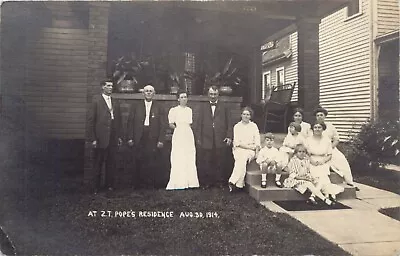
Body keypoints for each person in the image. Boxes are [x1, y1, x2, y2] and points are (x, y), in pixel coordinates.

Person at [127, 84, 167, 189]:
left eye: (150, 91)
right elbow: (130, 122)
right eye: (146, 91)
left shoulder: (159, 107)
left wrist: (161, 140)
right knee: (138, 159)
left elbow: (163, 124)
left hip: (152, 136)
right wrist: (130, 137)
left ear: (154, 93)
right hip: (139, 135)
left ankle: (150, 184)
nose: (148, 93)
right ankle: (137, 184)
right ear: (143, 93)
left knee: (151, 159)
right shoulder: (136, 106)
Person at [87, 80, 122, 193]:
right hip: (100, 137)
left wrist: (119, 136)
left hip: (112, 136)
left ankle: (109, 185)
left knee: (111, 162)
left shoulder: (115, 102)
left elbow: (118, 121)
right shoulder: (96, 101)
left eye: (112, 86)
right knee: (98, 162)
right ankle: (95, 187)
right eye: (108, 86)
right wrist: (93, 138)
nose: (110, 88)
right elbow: (91, 120)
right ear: (102, 87)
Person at [194, 86, 232, 188]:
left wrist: (229, 136)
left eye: (215, 94)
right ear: (208, 94)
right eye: (211, 94)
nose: (213, 96)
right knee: (207, 161)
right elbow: (198, 123)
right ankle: (207, 182)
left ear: (218, 95)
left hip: (220, 138)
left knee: (220, 161)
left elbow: (229, 123)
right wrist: (198, 137)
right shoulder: (203, 107)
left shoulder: (224, 106)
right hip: (206, 138)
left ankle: (219, 182)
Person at [314, 107, 359, 191]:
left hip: (331, 148)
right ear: (315, 117)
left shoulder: (330, 126)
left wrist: (330, 148)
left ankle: (350, 182)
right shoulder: (314, 127)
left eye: (321, 115)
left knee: (342, 159)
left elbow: (336, 139)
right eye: (317, 115)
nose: (319, 117)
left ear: (325, 116)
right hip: (318, 150)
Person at [166, 91, 199, 190]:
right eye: (182, 97)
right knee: (178, 156)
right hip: (178, 133)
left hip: (188, 134)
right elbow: (170, 123)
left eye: (185, 97)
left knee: (189, 155)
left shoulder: (189, 110)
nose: (184, 99)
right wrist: (178, 128)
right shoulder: (173, 110)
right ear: (178, 99)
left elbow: (191, 123)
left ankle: (191, 182)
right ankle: (179, 182)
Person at [306, 122, 344, 202]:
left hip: (324, 160)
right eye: (315, 127)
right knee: (320, 176)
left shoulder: (327, 140)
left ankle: (313, 195)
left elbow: (329, 155)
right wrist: (312, 161)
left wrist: (323, 161)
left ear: (323, 129)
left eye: (319, 127)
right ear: (312, 129)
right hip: (311, 160)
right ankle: (329, 194)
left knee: (323, 174)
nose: (317, 129)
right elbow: (306, 154)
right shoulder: (308, 140)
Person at [228, 107, 260, 192]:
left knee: (242, 159)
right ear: (241, 115)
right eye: (244, 114)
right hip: (239, 149)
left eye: (248, 114)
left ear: (250, 116)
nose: (246, 116)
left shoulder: (254, 126)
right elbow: (237, 142)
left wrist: (256, 153)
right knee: (241, 158)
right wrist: (249, 147)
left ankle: (233, 181)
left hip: (251, 151)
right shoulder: (237, 126)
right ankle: (239, 184)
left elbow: (257, 141)